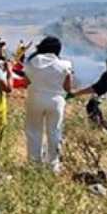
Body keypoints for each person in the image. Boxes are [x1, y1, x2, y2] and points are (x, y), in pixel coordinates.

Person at [23, 37, 73, 174]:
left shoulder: (32, 62)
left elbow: (26, 81)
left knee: (33, 131)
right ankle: (53, 165)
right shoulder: (65, 65)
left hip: (35, 98)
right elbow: (68, 87)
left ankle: (34, 164)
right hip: (56, 101)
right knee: (54, 132)